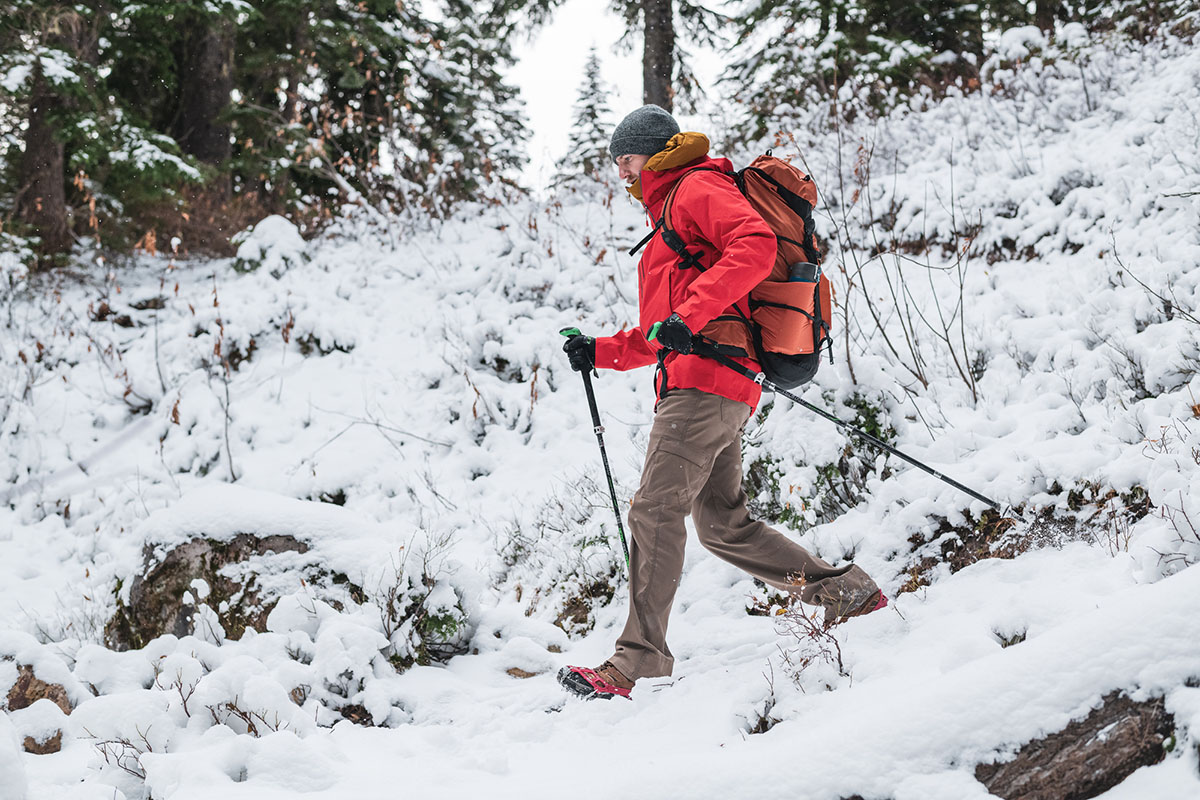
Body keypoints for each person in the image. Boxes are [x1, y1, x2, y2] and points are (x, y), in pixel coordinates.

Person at [556, 105, 887, 701]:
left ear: (651, 152)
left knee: (654, 510)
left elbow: (755, 245)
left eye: (625, 161)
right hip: (708, 381)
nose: (622, 175)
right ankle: (849, 596)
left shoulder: (693, 187)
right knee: (721, 525)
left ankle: (635, 663)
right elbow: (665, 335)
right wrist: (599, 351)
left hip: (705, 385)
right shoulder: (670, 216)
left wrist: (688, 315)